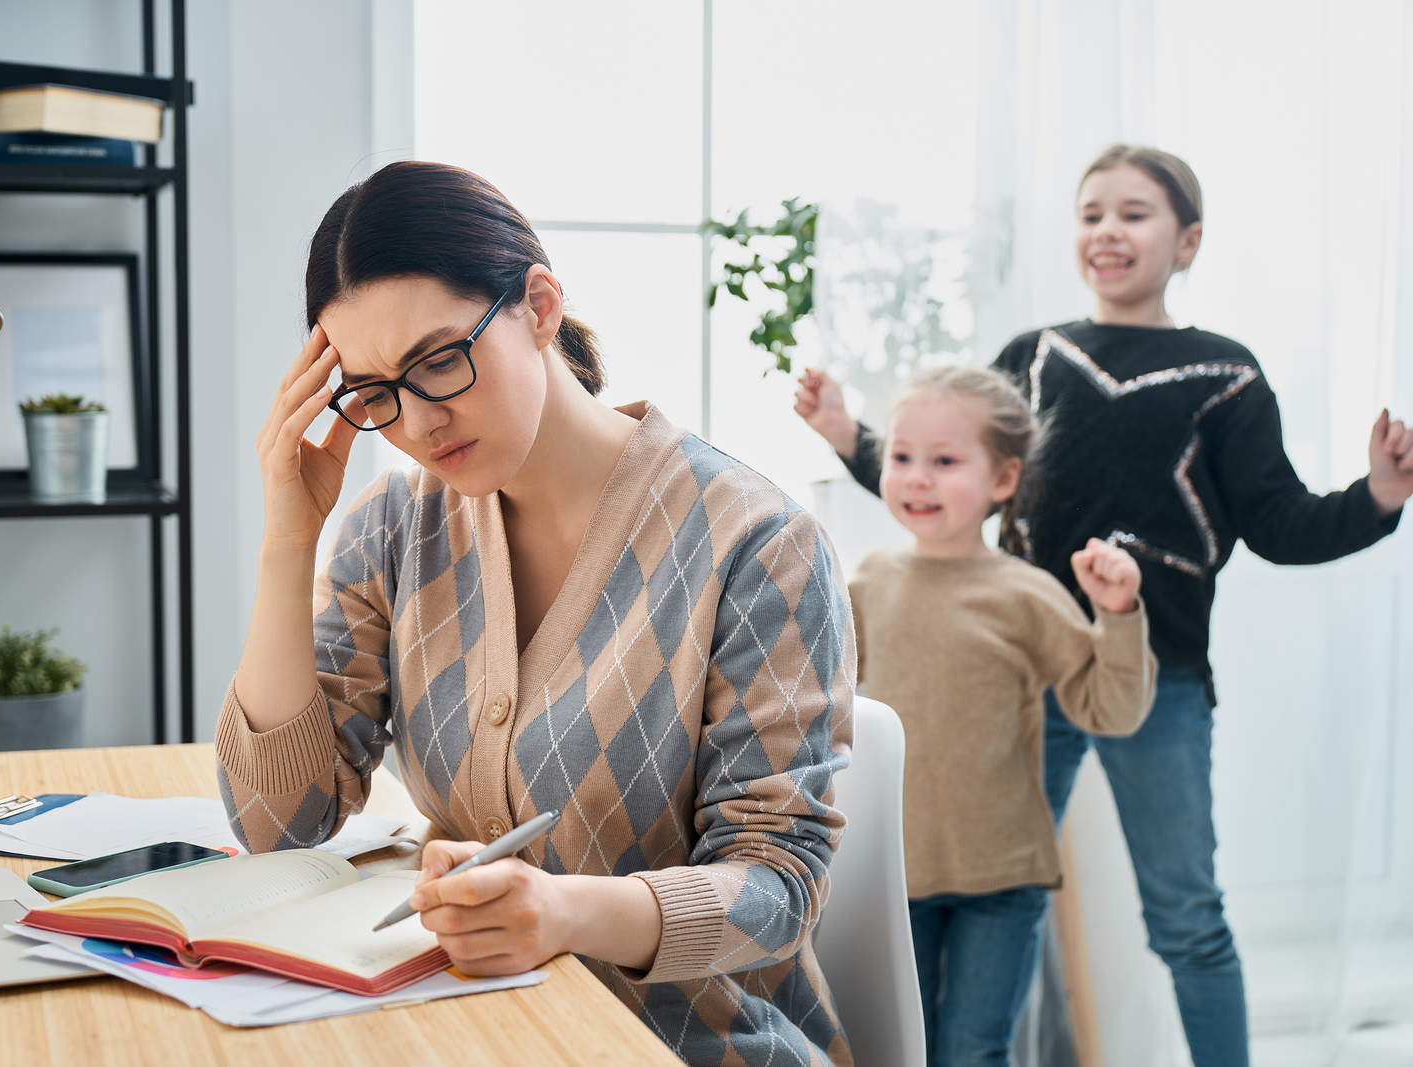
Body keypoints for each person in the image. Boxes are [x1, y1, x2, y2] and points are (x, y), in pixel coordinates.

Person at [216, 161, 858, 1067]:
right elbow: (278, 824)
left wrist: (566, 913)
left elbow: (781, 890)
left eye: (440, 359)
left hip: (691, 1046)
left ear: (541, 306)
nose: (420, 422)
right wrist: (289, 539)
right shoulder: (393, 528)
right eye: (373, 394)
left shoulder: (757, 542)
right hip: (470, 1035)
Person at [796, 144, 1413, 1067]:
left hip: (1157, 681)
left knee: (1186, 916)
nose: (1108, 232)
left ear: (1188, 240)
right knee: (999, 886)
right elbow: (950, 468)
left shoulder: (1227, 374)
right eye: (1091, 214)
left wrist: (1376, 497)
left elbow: (1281, 522)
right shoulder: (1036, 356)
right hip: (1019, 676)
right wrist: (855, 438)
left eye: (1134, 213)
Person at [847, 365, 1155, 1066]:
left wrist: (1116, 617)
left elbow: (1110, 709)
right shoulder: (866, 581)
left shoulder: (1026, 593)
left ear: (1004, 479)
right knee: (900, 1047)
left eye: (945, 460)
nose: (916, 478)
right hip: (894, 873)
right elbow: (826, 713)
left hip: (1004, 878)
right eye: (901, 457)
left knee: (973, 1050)